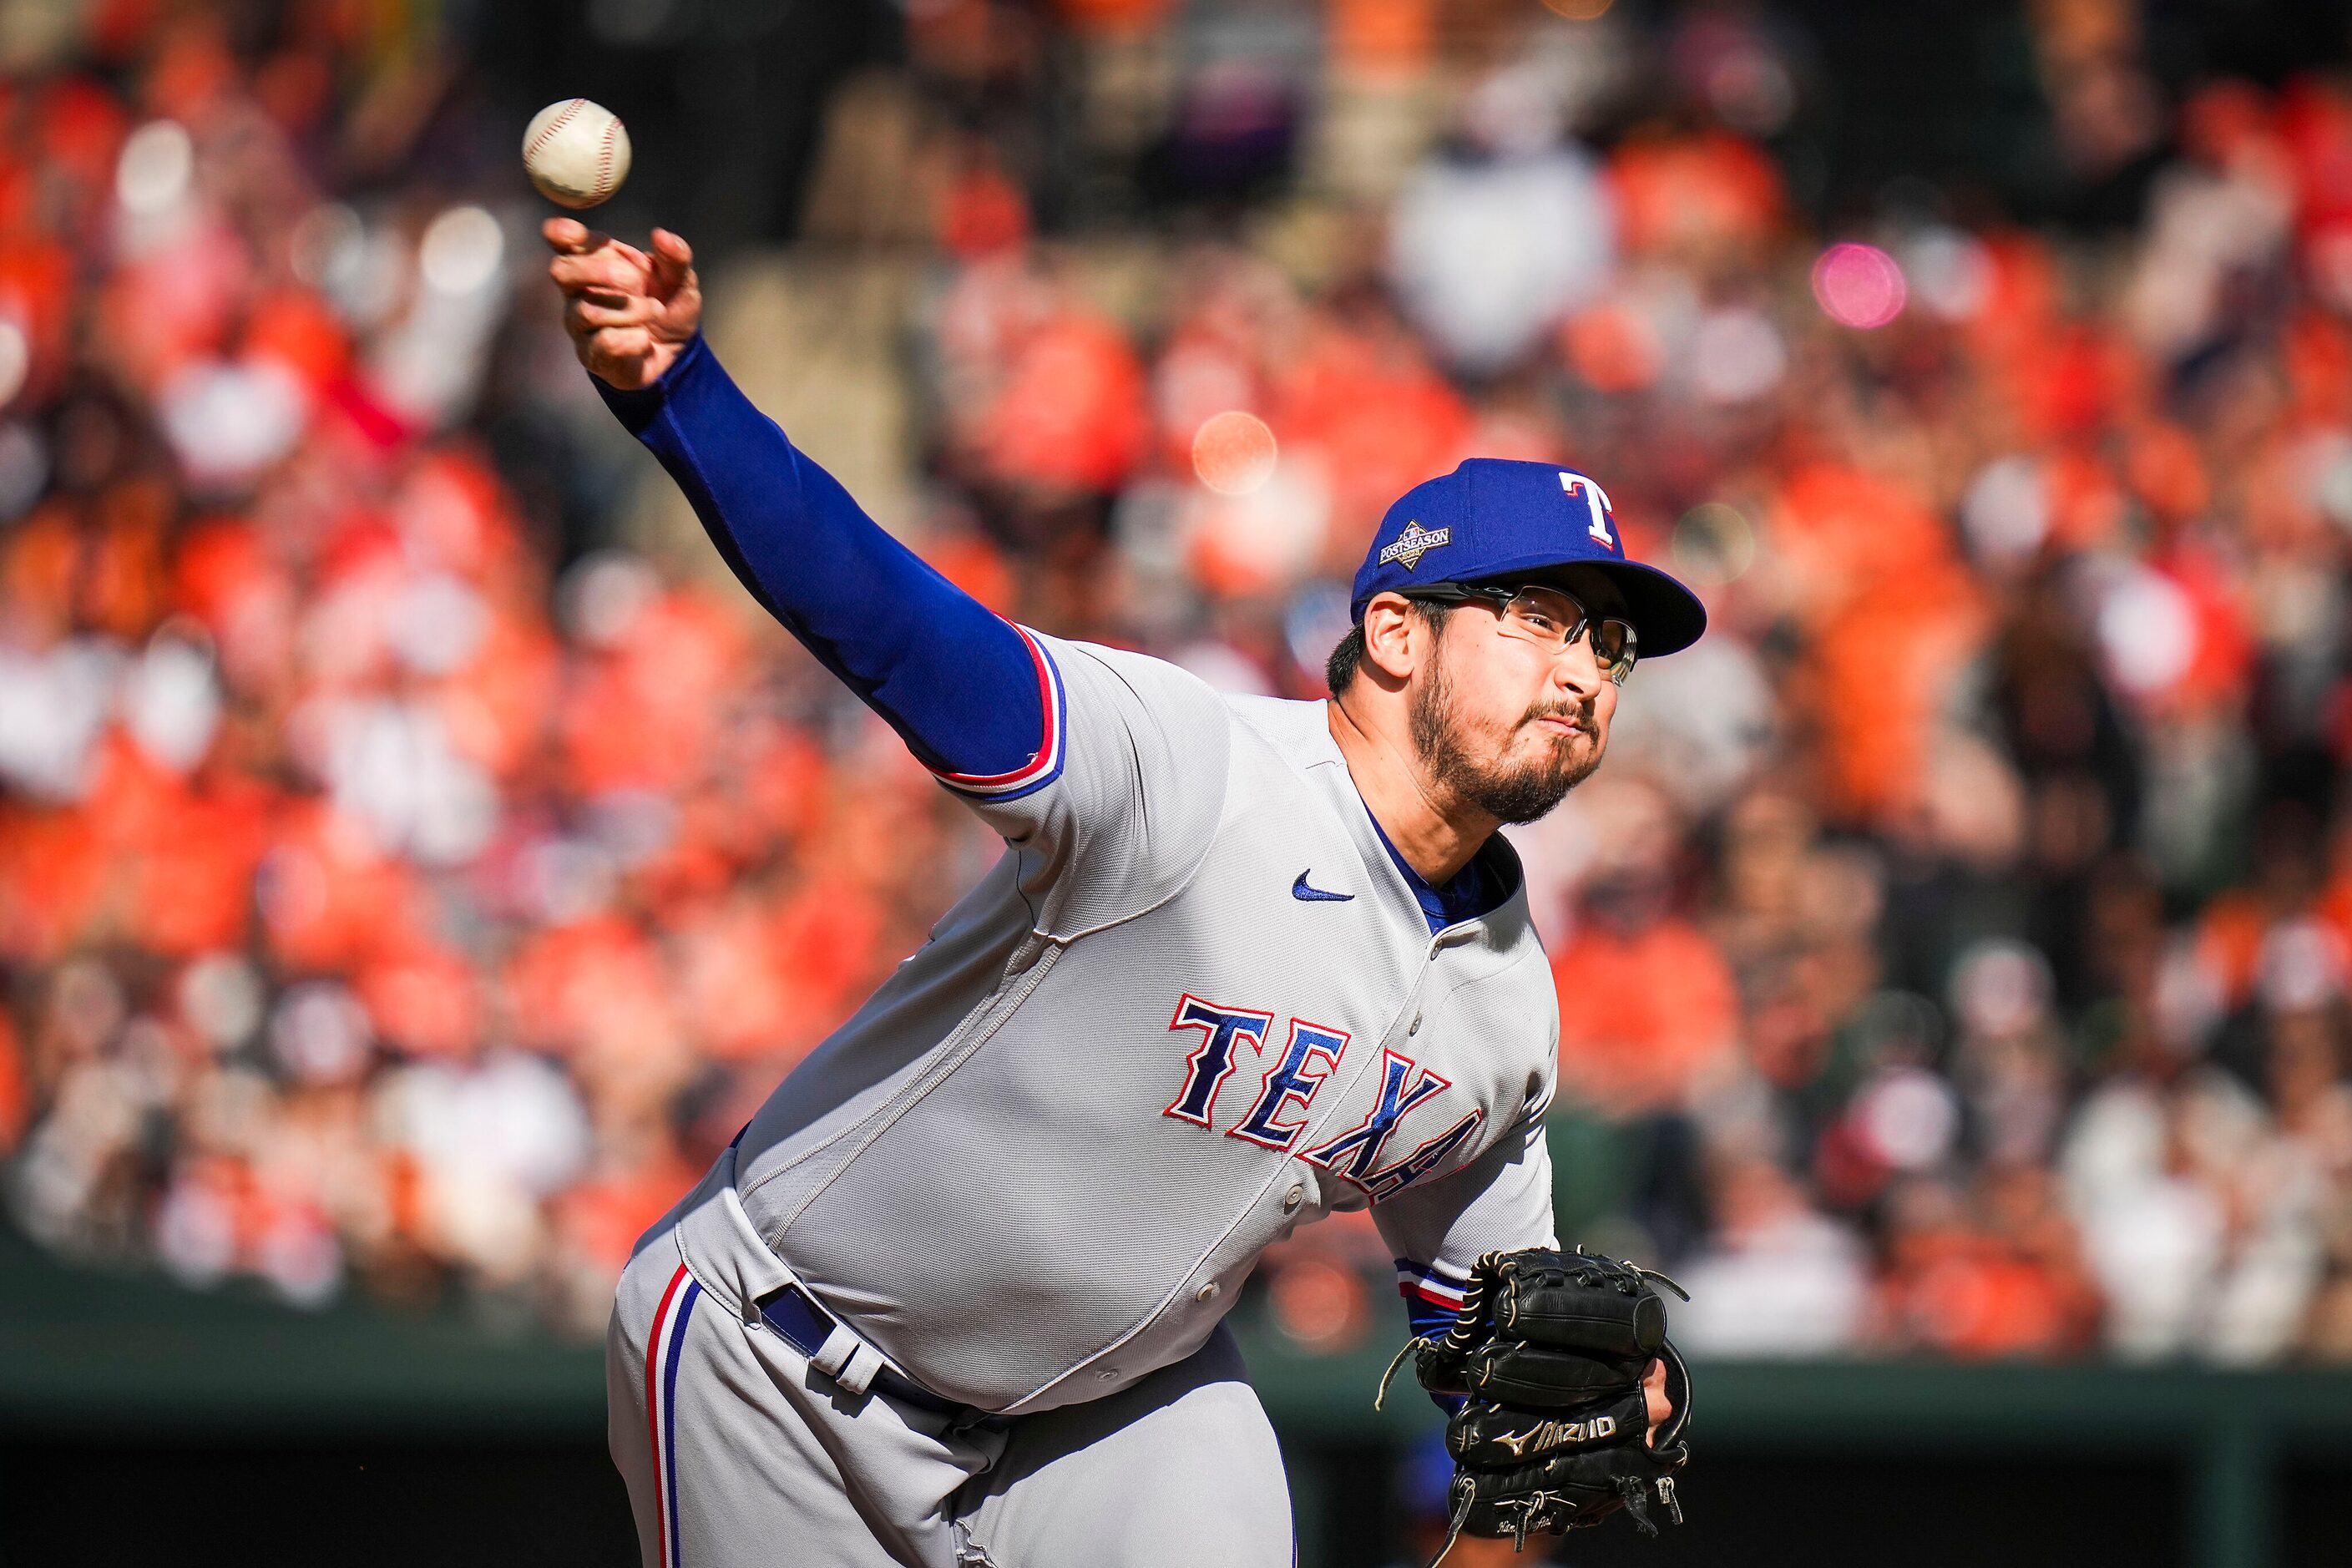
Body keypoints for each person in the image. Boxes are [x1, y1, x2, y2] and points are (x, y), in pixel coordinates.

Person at [544, 217, 1705, 1568]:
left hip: (1107, 1419)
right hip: (782, 1358)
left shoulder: (1504, 1011)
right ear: (1395, 630)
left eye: (1611, 643)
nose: (1585, 671)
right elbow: (895, 625)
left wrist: (1542, 1476)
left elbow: (1512, 1397)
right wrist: (680, 394)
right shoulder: (1190, 764)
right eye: (1542, 617)